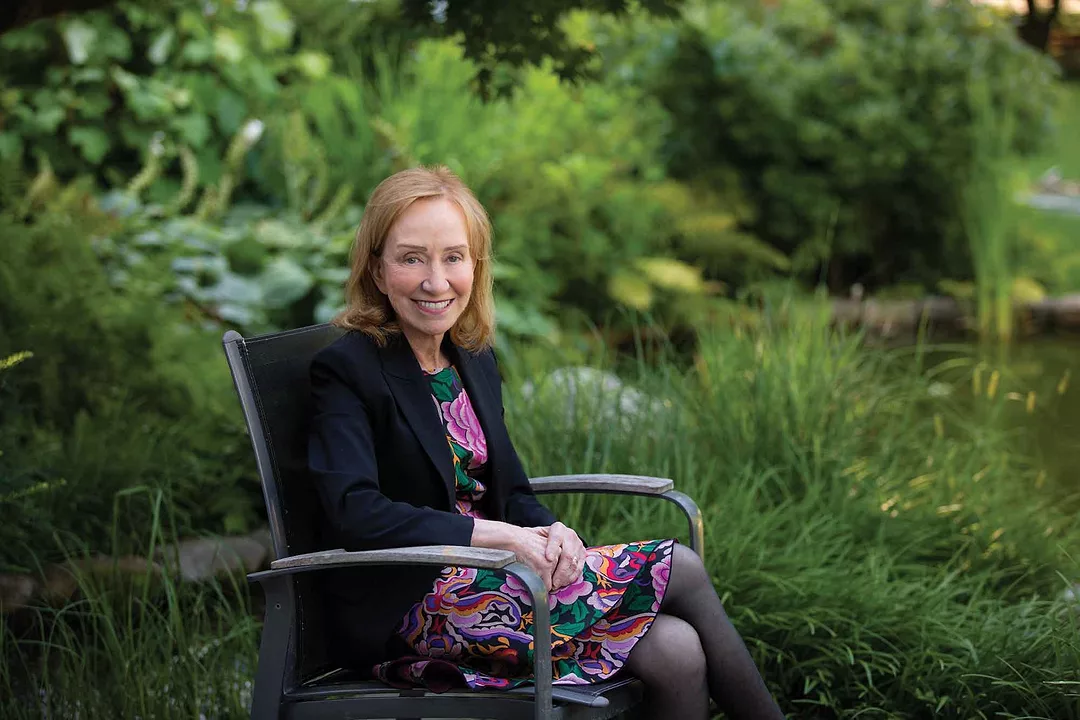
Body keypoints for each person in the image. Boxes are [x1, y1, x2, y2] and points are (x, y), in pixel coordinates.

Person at [307, 165, 785, 719]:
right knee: (678, 564)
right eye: (412, 258)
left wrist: (555, 533)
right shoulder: (348, 369)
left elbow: (511, 491)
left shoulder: (472, 358)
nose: (436, 282)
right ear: (377, 268)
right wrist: (501, 537)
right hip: (412, 603)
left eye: (453, 257)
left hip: (497, 580)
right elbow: (355, 512)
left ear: (475, 265)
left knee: (676, 649)